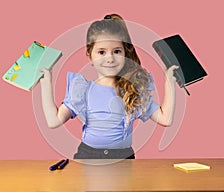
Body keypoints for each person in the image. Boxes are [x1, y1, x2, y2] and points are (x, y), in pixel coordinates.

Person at [40, 14, 178, 159]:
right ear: (89, 56)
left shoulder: (132, 90)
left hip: (123, 158)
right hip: (88, 157)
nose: (110, 58)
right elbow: (53, 121)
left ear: (125, 53)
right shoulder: (83, 90)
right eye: (101, 52)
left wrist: (169, 82)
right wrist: (46, 84)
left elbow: (165, 119)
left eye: (117, 51)